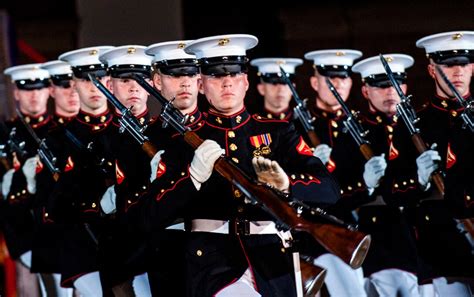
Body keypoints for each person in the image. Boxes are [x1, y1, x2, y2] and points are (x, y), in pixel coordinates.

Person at [139, 33, 340, 297]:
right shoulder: (180, 140)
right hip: (212, 262)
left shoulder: (279, 132)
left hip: (273, 260)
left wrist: (287, 184)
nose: (226, 84)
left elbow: (329, 190)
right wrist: (193, 177)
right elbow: (151, 214)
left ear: (246, 82)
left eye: (233, 75)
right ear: (201, 85)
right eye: (216, 76)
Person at [34, 45, 115, 296]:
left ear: (109, 81)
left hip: (128, 246)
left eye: (100, 77)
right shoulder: (57, 140)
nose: (94, 86)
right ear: (75, 84)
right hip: (81, 248)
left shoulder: (128, 133)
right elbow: (47, 206)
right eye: (85, 79)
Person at [352, 54, 431, 297]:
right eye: (381, 85)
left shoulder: (419, 126)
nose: (390, 92)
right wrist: (363, 184)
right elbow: (338, 192)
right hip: (381, 245)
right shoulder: (353, 132)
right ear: (366, 91)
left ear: (405, 87)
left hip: (423, 241)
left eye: (396, 83)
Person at [301, 49, 368, 296]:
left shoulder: (359, 127)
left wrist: (367, 184)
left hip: (349, 231)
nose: (338, 84)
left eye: (343, 77)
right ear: (314, 82)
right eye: (330, 78)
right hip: (311, 233)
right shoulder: (296, 126)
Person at [415, 30, 474, 296]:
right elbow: (393, 191)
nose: (457, 71)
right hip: (444, 248)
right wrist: (418, 180)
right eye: (449, 65)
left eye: (463, 63)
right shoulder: (417, 124)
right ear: (432, 70)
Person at [97, 45, 154, 296]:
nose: (133, 87)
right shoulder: (98, 142)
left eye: (141, 80)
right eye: (125, 80)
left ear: (152, 83)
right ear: (110, 85)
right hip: (121, 255)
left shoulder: (166, 135)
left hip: (161, 250)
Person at [2, 63, 52, 297]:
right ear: (16, 94)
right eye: (26, 90)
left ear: (48, 90)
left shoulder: (58, 132)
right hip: (22, 234)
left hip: (56, 230)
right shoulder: (6, 134)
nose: (33, 96)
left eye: (39, 89)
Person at [42, 60, 80, 125]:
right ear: (52, 91)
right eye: (66, 86)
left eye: (76, 86)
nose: (73, 93)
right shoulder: (42, 131)